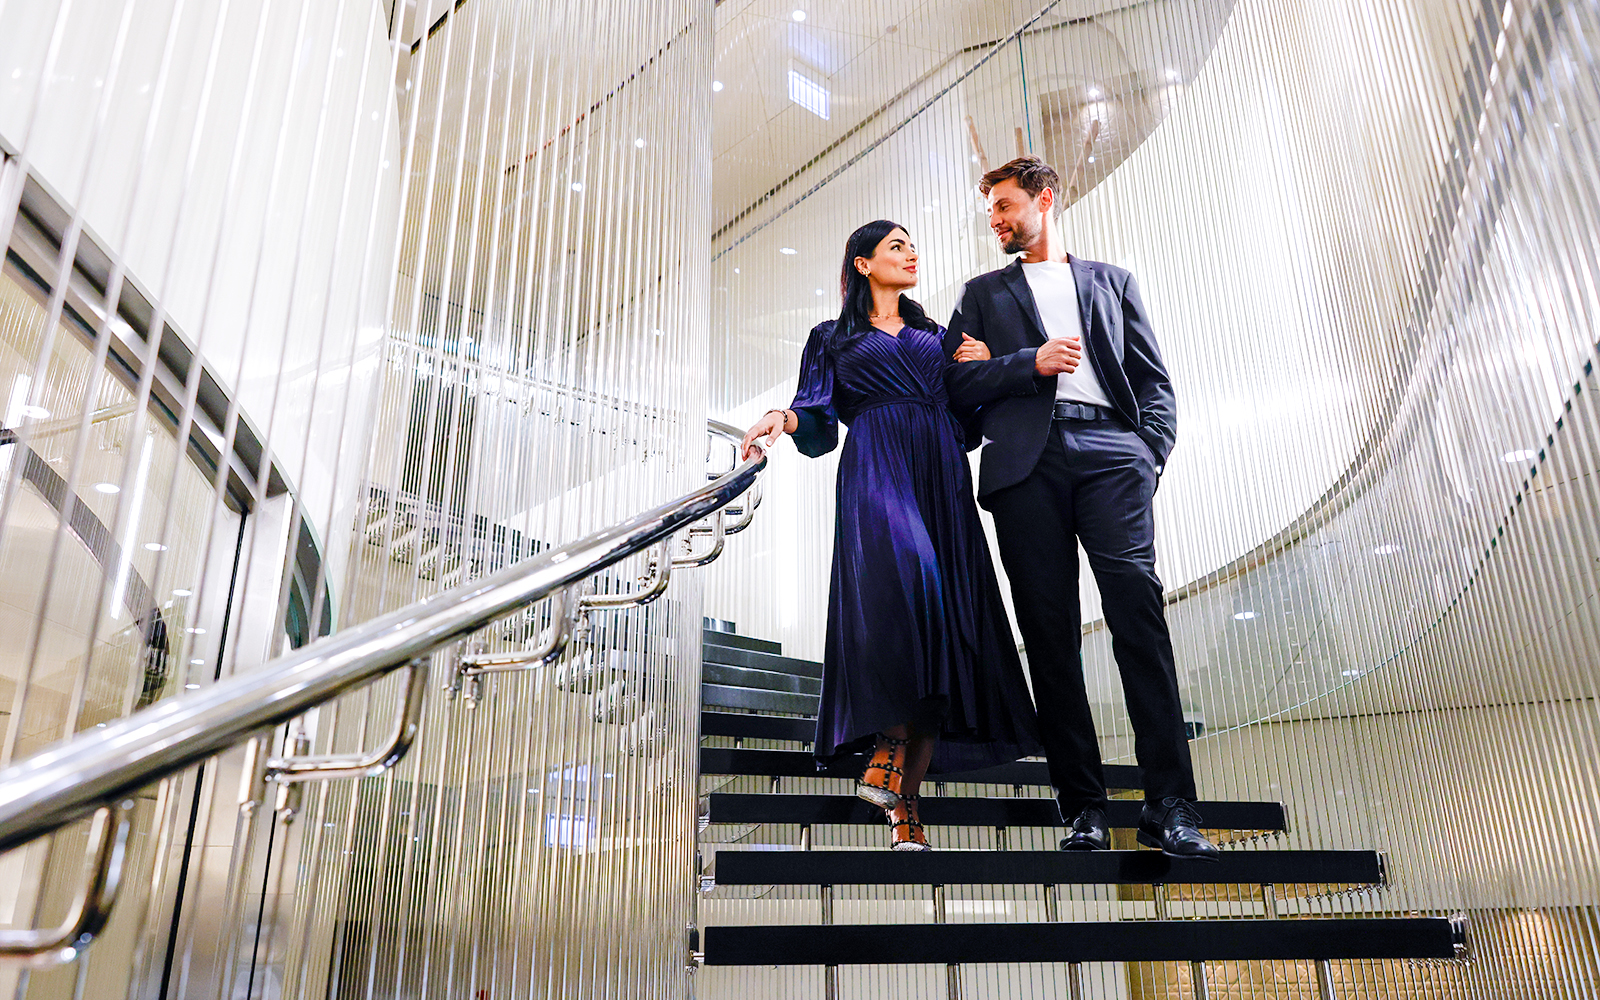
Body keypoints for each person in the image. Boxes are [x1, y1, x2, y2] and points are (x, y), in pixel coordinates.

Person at [941, 157, 1218, 862]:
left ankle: (1172, 806)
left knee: (1139, 620)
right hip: (1025, 466)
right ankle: (1084, 808)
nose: (997, 221)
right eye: (991, 212)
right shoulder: (979, 296)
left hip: (1110, 453)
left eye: (1006, 206)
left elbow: (1155, 381)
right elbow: (955, 388)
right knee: (1051, 634)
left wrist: (1146, 452)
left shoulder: (1111, 282)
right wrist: (1022, 363)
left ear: (1045, 199)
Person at [741, 220, 1042, 852]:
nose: (911, 256)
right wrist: (783, 417)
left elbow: (969, 412)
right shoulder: (833, 337)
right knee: (914, 585)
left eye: (911, 246)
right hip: (876, 466)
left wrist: (985, 365)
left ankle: (904, 805)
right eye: (896, 247)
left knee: (948, 628)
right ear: (861, 264)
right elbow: (818, 412)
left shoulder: (940, 335)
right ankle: (888, 743)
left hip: (940, 471)